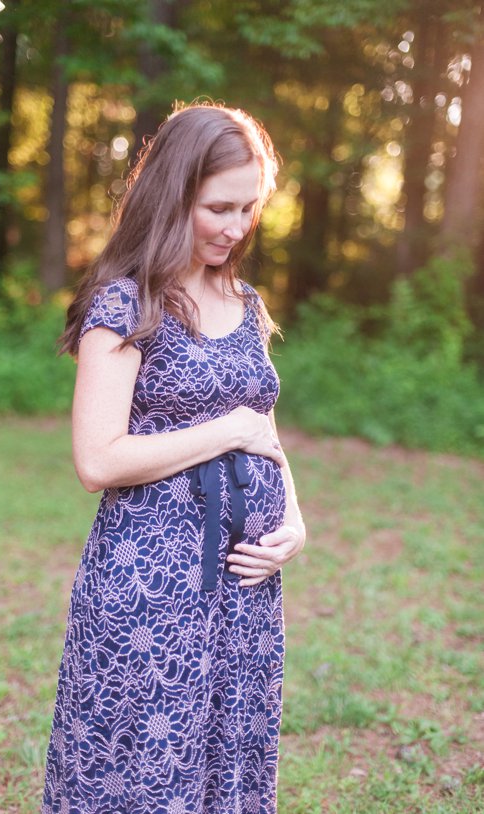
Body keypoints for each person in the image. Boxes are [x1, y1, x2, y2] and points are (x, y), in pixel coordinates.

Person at [42, 103, 307, 813]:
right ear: (173, 194)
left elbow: (265, 431)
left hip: (245, 591)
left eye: (249, 207)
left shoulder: (246, 302)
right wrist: (225, 431)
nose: (236, 225)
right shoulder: (125, 304)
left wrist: (295, 525)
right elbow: (97, 460)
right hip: (151, 586)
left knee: (228, 752)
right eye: (218, 207)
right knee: (146, 767)